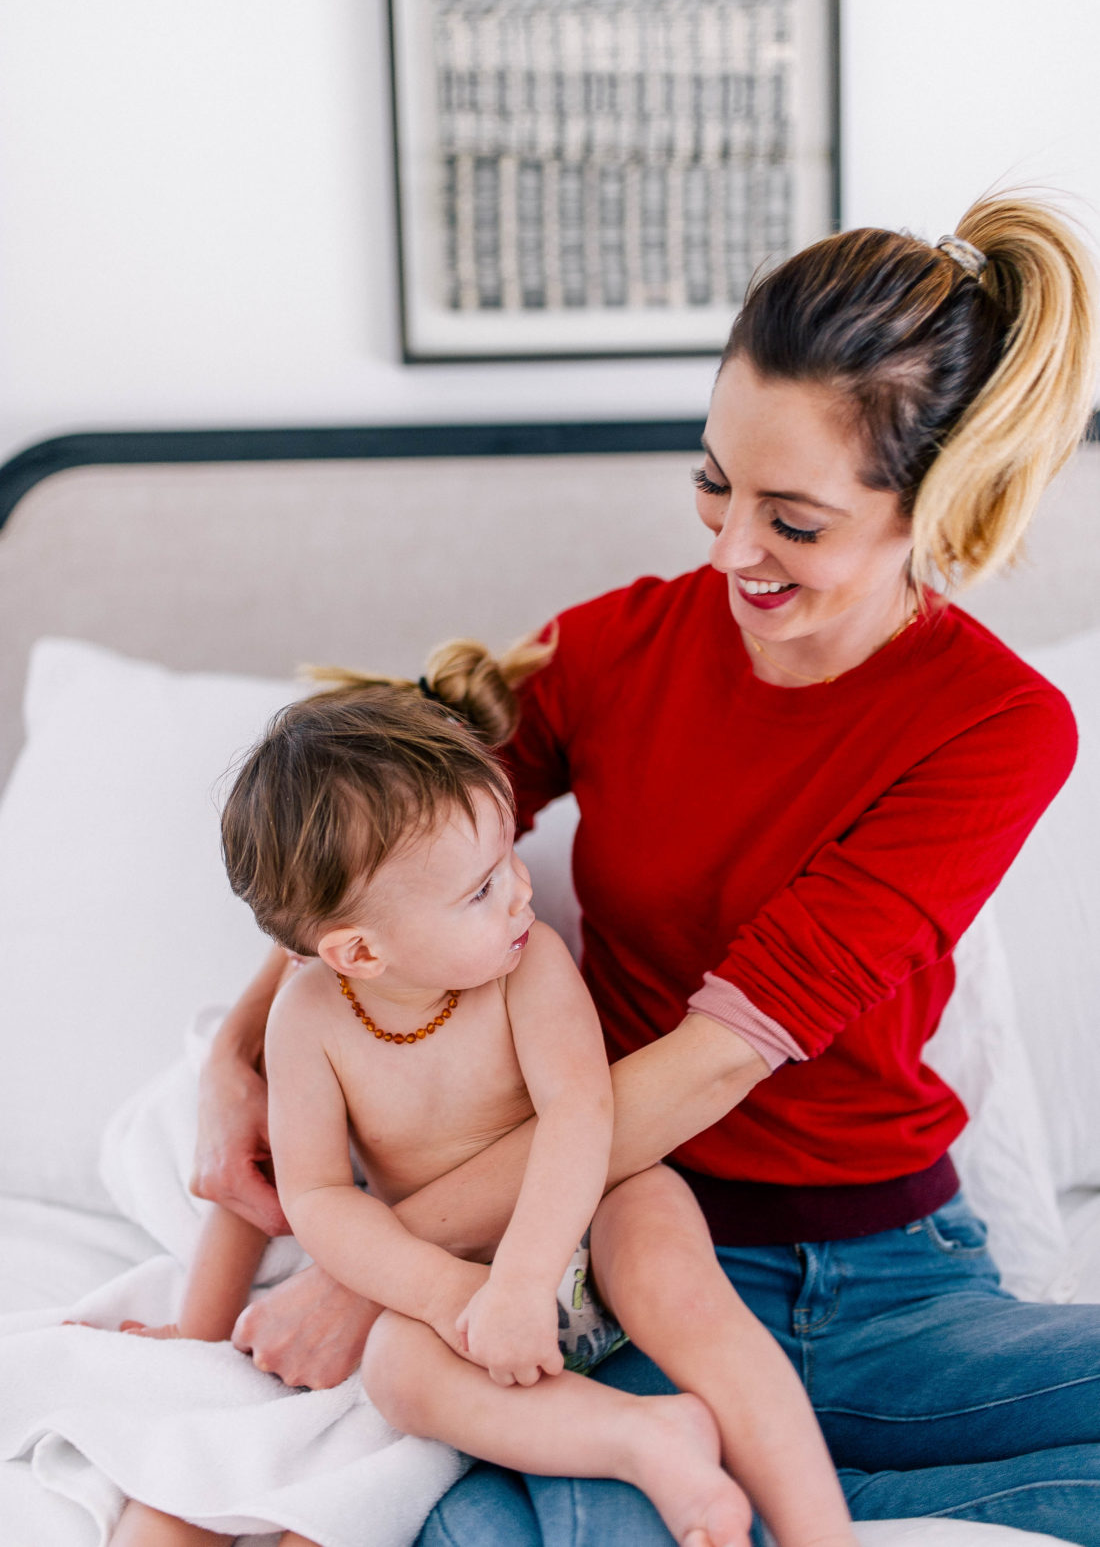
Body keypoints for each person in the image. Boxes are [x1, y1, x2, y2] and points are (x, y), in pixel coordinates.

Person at [194, 195, 1100, 1547]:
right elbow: (379, 852)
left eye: (791, 519)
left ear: (942, 497)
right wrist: (238, 1047)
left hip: (890, 1281)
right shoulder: (617, 647)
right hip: (615, 1251)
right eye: (714, 482)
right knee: (481, 1533)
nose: (731, 549)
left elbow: (723, 1056)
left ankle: (791, 1498)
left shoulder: (997, 728)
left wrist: (365, 1274)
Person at [112, 648, 859, 1547]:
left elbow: (585, 1116)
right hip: (460, 1279)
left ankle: (824, 1532)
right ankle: (641, 1436)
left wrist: (523, 1277)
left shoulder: (527, 964)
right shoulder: (307, 1021)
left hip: (594, 1205)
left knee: (682, 1288)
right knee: (397, 1369)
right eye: (479, 888)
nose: (520, 891)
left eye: (507, 858)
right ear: (358, 953)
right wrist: (442, 1291)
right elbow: (311, 1195)